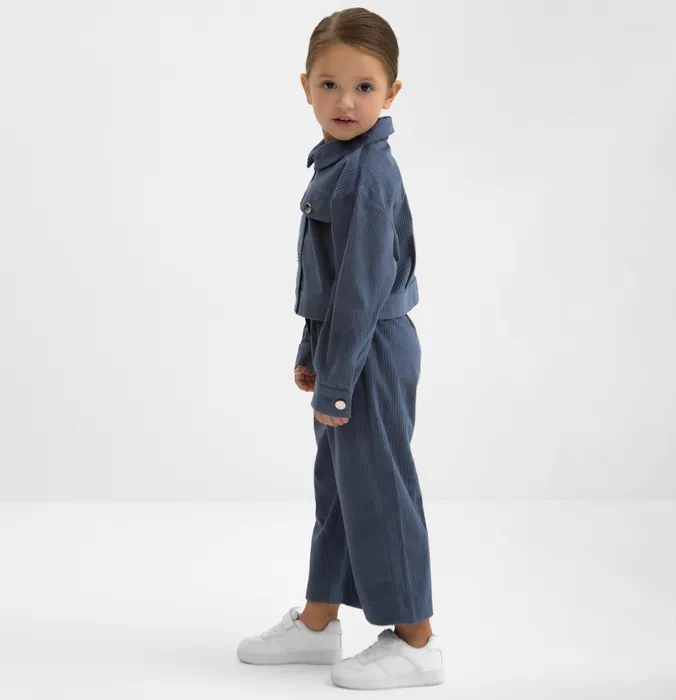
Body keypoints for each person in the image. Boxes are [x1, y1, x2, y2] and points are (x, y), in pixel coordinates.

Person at [237, 8, 443, 691]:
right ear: (305, 87)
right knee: (339, 488)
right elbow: (326, 278)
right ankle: (318, 621)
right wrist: (312, 349)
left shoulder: (368, 174)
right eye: (329, 84)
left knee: (379, 488)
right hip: (345, 346)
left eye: (363, 86)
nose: (345, 101)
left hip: (371, 350)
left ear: (392, 92)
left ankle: (416, 640)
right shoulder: (337, 161)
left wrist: (337, 382)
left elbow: (361, 288)